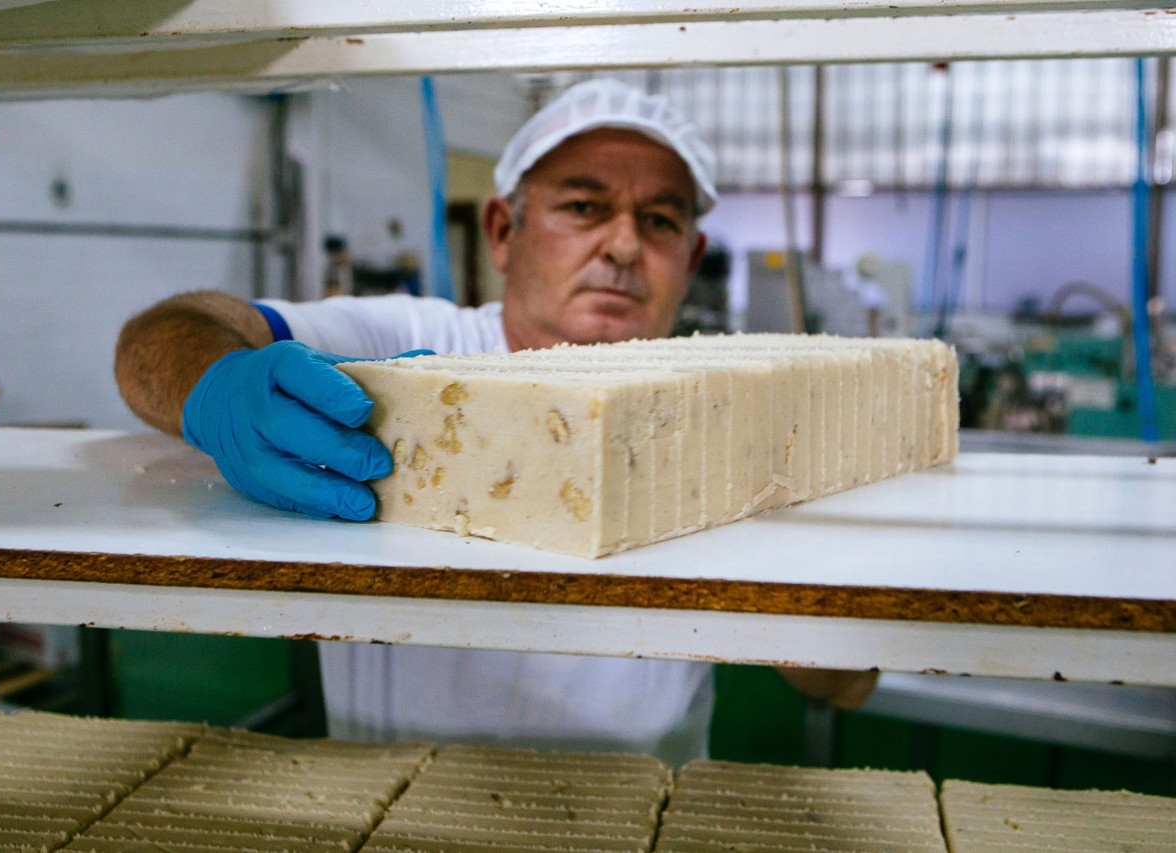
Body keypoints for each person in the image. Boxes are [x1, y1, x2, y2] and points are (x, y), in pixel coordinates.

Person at [115, 78, 876, 764]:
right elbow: (164, 333)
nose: (621, 245)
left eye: (659, 220)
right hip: (398, 810)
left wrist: (790, 568)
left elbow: (843, 685)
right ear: (504, 230)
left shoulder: (734, 403)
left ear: (693, 252)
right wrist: (218, 385)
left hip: (637, 817)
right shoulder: (410, 348)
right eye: (584, 207)